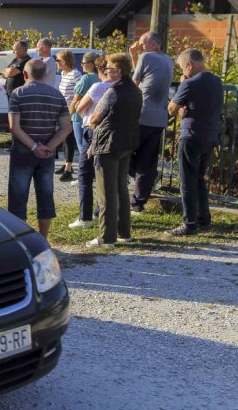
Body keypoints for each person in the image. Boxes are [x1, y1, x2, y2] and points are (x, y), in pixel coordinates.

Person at [7, 59, 72, 240]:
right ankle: (44, 239)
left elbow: (14, 127)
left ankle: (21, 240)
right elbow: (66, 127)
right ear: (44, 74)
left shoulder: (18, 93)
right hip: (47, 152)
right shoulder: (57, 95)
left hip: (22, 150)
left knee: (18, 197)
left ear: (25, 75)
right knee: (45, 195)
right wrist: (48, 147)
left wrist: (33, 147)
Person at [165, 48, 223, 236]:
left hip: (190, 135)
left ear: (190, 65)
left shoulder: (189, 83)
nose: (183, 72)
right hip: (210, 134)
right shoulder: (216, 81)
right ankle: (203, 219)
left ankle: (189, 223)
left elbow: (171, 109)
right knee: (199, 178)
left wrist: (183, 85)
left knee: (187, 180)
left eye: (183, 68)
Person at [86, 53, 143, 248]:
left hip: (108, 144)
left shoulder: (113, 91)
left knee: (106, 193)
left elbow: (94, 118)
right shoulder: (136, 90)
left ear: (118, 71)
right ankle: (123, 232)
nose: (105, 71)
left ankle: (106, 237)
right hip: (127, 142)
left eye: (108, 68)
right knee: (120, 188)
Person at [129, 32, 173, 214]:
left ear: (154, 44)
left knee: (125, 152)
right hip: (160, 117)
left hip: (142, 113)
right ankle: (138, 203)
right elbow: (145, 75)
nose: (140, 47)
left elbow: (135, 83)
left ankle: (141, 178)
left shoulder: (146, 56)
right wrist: (134, 56)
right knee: (147, 161)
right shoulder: (169, 60)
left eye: (142, 44)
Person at [70, 56, 113, 229]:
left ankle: (85, 217)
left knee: (85, 174)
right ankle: (100, 211)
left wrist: (87, 116)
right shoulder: (122, 87)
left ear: (99, 69)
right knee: (105, 175)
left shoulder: (98, 87)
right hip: (112, 131)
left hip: (93, 130)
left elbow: (80, 108)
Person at [55, 49, 82, 182]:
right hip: (64, 110)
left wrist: (73, 108)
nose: (57, 62)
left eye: (58, 60)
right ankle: (66, 164)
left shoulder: (75, 74)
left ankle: (69, 168)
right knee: (65, 139)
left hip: (71, 111)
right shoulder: (64, 73)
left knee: (69, 139)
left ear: (65, 61)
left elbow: (80, 92)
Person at [70, 52, 101, 163]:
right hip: (95, 116)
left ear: (92, 64)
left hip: (80, 117)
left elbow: (76, 99)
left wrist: (69, 115)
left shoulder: (86, 78)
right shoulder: (101, 77)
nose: (81, 65)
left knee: (82, 146)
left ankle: (84, 177)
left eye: (83, 62)